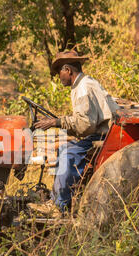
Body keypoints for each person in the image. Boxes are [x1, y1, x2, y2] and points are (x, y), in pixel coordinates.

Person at [28, 50, 120, 217]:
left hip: (105, 135)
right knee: (63, 149)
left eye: (59, 73)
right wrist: (55, 121)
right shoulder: (82, 84)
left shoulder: (84, 87)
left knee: (68, 155)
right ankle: (63, 200)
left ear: (68, 70)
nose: (59, 77)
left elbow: (86, 125)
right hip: (100, 133)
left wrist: (56, 122)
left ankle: (58, 207)